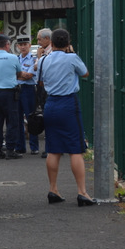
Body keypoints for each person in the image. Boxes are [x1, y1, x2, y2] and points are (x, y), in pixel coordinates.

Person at [38, 29, 93, 206]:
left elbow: (40, 81)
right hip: (68, 104)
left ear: (51, 43)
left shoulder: (44, 60)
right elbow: (85, 73)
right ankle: (82, 192)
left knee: (53, 149)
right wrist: (71, 52)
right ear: (68, 43)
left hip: (50, 104)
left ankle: (53, 189)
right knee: (75, 149)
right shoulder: (71, 58)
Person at [0, 35, 23, 160]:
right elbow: (19, 74)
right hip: (9, 93)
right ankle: (10, 149)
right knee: (12, 121)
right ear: (7, 44)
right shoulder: (13, 58)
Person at [15, 37, 39, 155]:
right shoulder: (16, 59)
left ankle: (34, 146)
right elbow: (13, 75)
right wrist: (21, 75)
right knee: (18, 118)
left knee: (31, 118)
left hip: (28, 90)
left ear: (29, 45)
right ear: (18, 46)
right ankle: (20, 146)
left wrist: (18, 75)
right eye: (21, 45)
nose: (23, 47)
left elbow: (29, 75)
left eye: (25, 44)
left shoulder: (33, 59)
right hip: (18, 90)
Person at [34, 28, 53, 159]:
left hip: (47, 88)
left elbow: (38, 67)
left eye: (40, 39)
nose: (38, 41)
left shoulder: (49, 53)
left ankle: (50, 148)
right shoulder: (46, 51)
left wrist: (39, 58)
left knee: (49, 119)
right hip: (45, 88)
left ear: (47, 39)